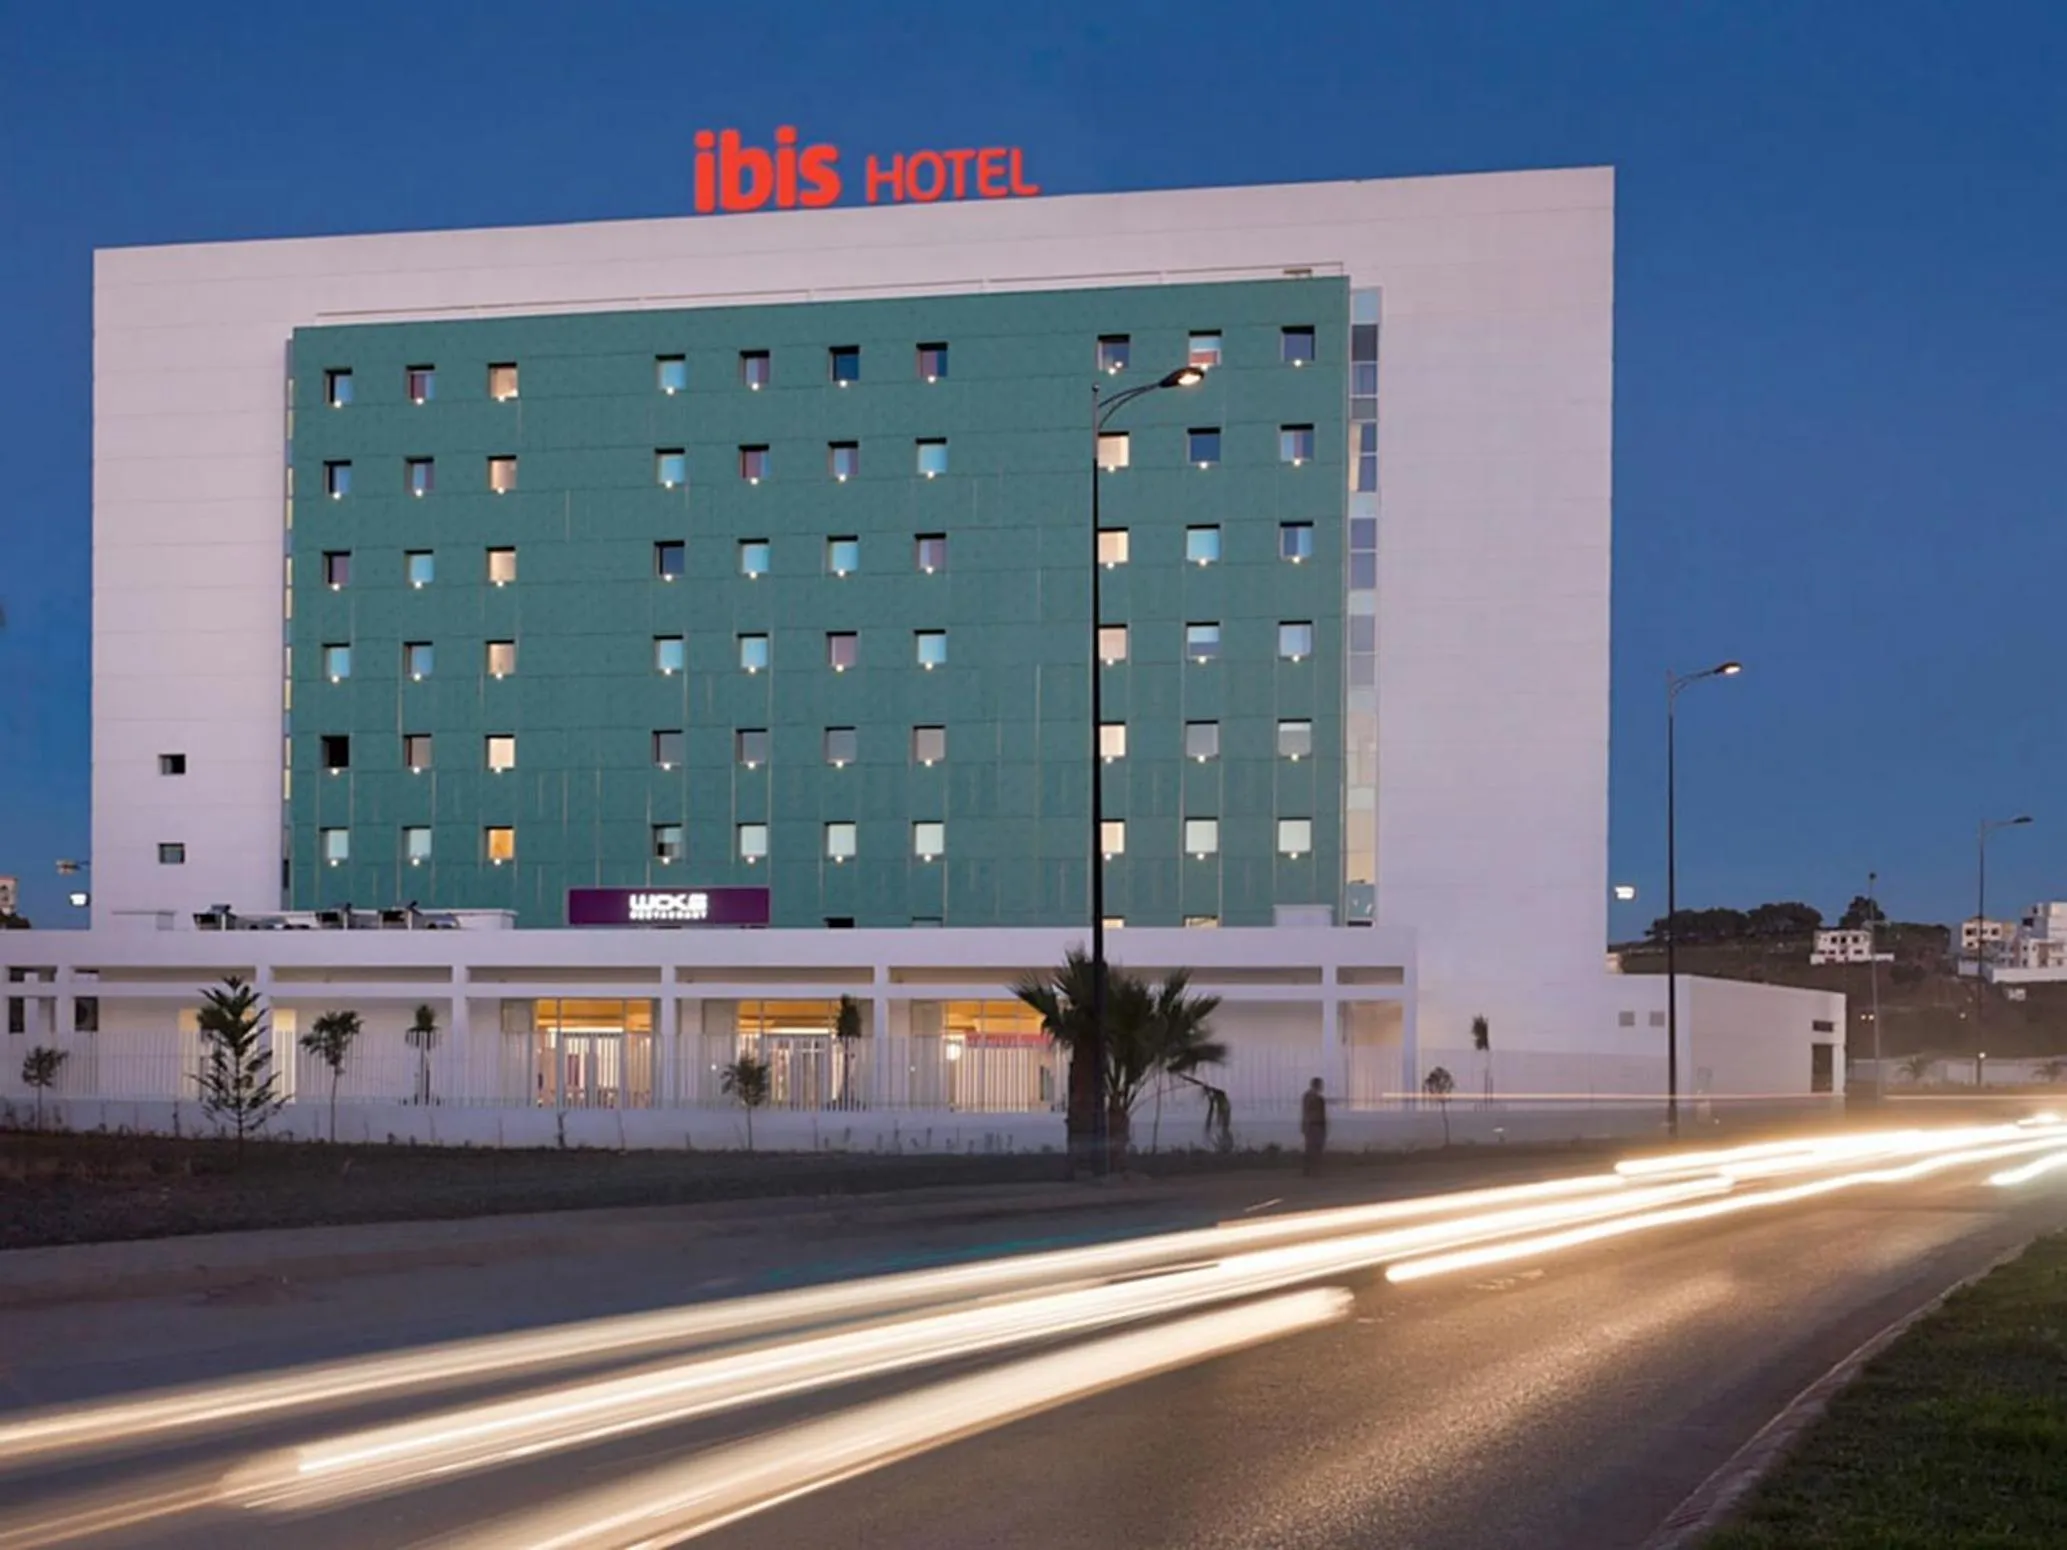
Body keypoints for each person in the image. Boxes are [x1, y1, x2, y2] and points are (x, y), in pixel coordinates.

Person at [1300, 1076, 1327, 1175]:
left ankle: (1312, 1170)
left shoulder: (1313, 1097)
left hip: (1315, 1124)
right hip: (1313, 1125)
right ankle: (1310, 1170)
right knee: (1312, 1148)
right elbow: (1307, 1111)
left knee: (1315, 1148)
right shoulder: (1312, 1097)